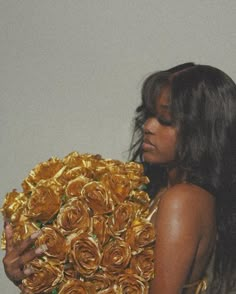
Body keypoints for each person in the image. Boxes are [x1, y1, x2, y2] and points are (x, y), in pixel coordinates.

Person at [3, 63, 236, 293]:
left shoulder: (182, 199)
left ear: (202, 131)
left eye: (165, 119)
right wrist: (37, 276)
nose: (148, 126)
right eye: (149, 114)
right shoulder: (160, 191)